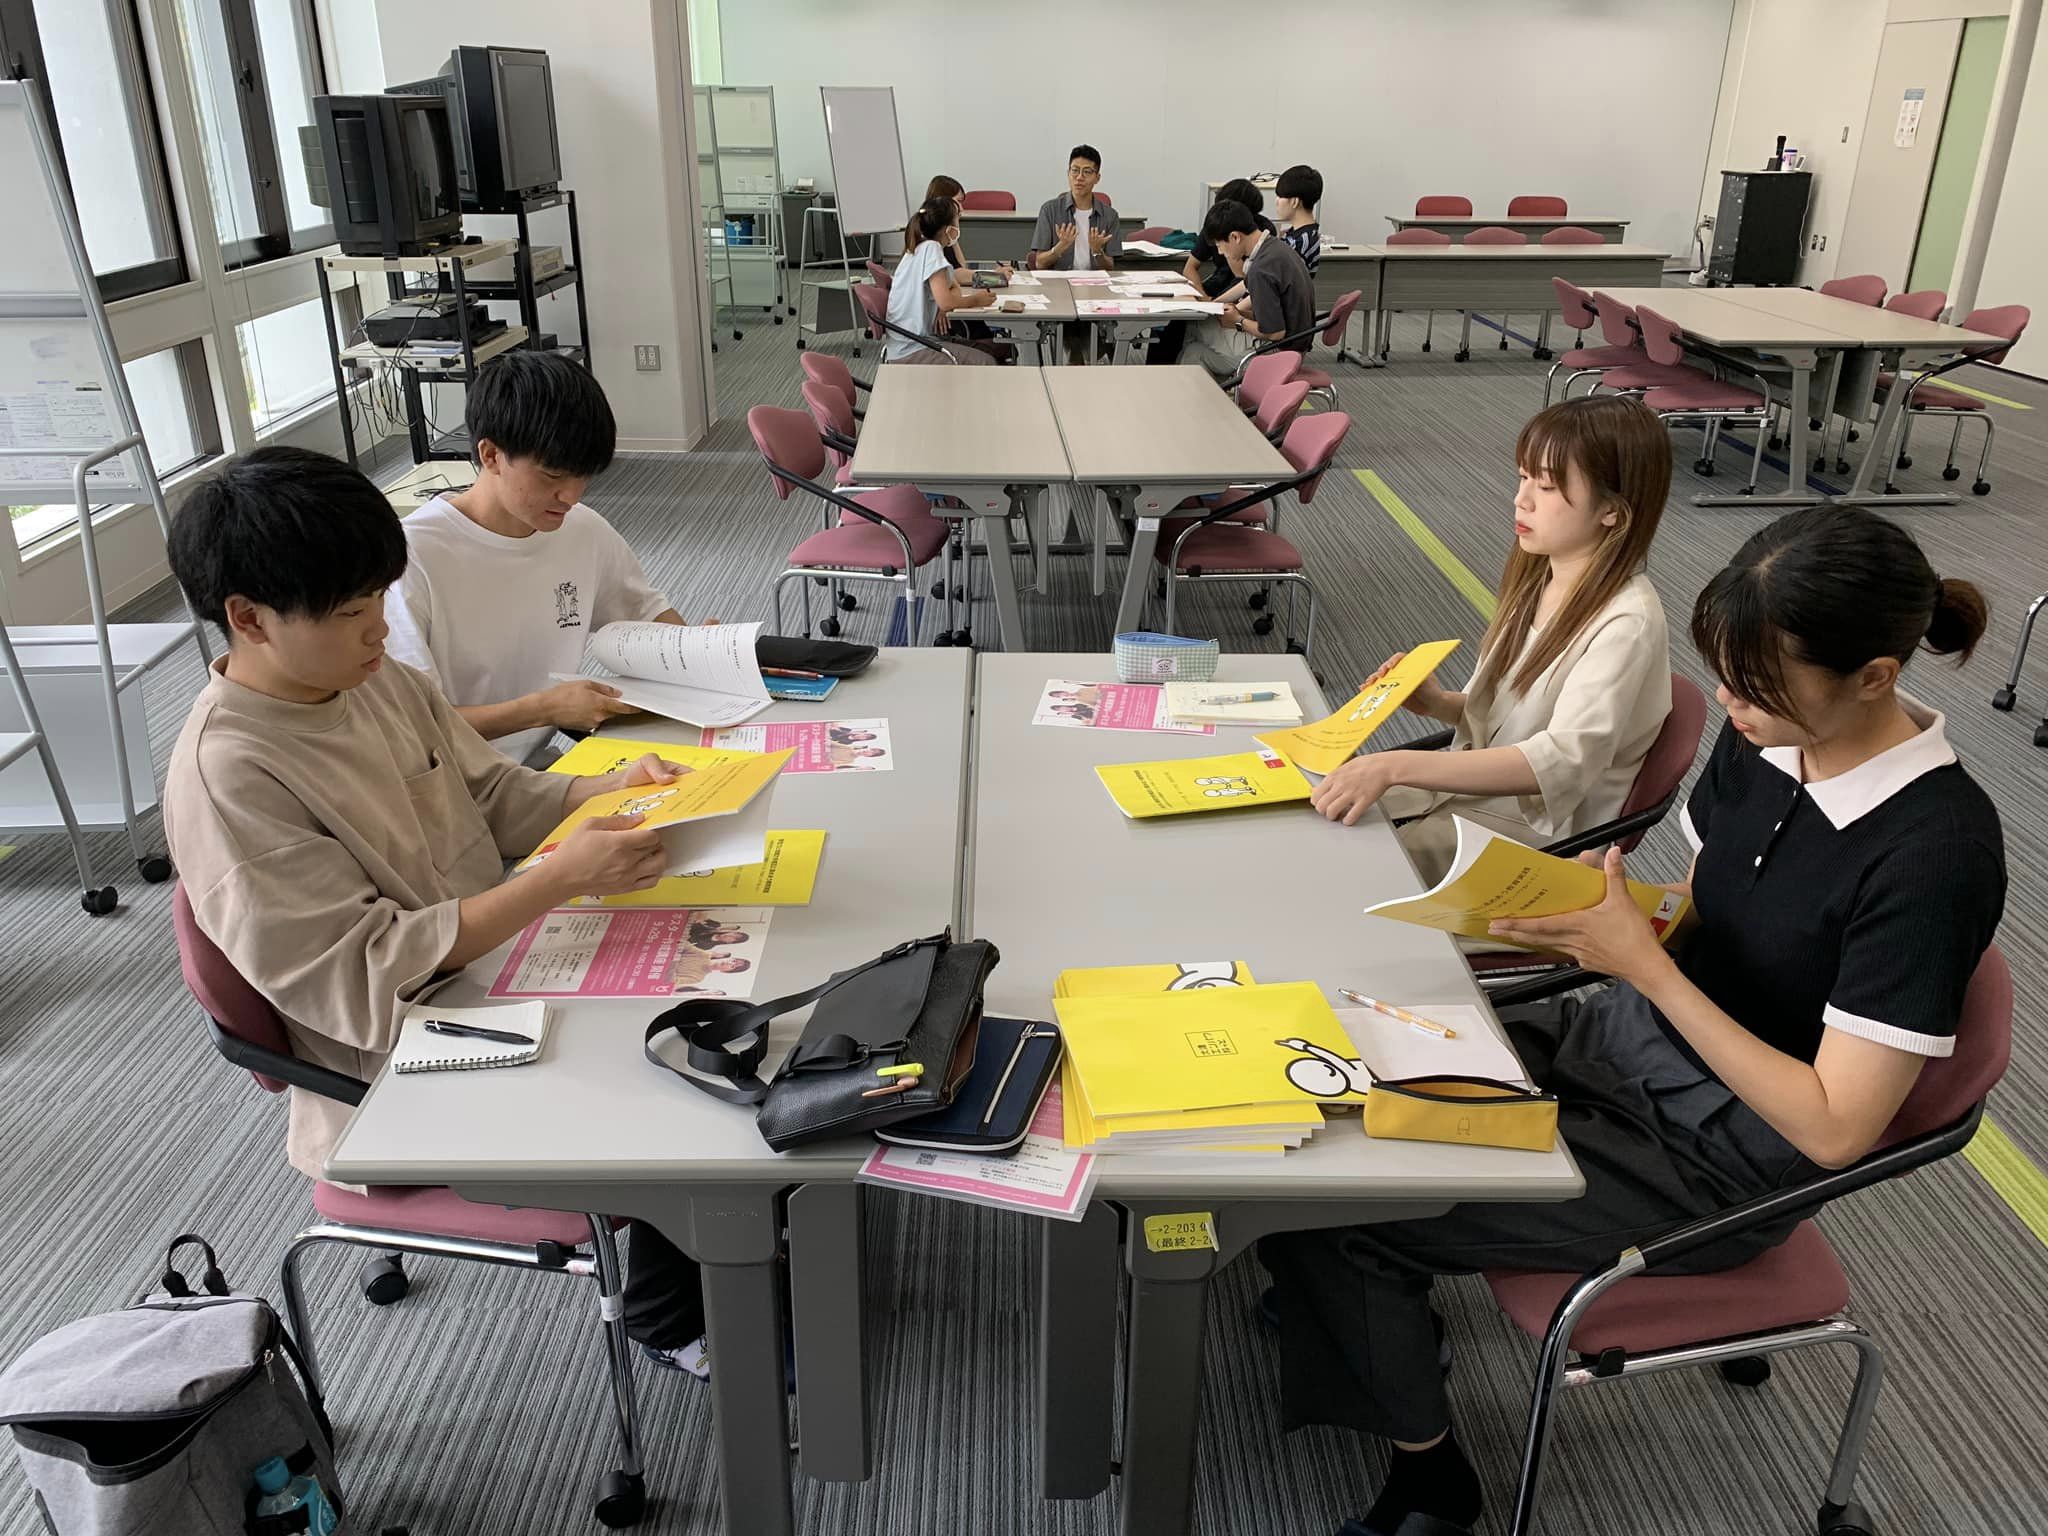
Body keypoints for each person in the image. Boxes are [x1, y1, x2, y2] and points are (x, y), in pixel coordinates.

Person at [1261, 504, 2005, 1536]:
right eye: (1727, 678)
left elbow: (1836, 1128)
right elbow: (1708, 895)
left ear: (1873, 677)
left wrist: (1645, 970)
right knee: (1341, 1073)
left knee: (1344, 1207)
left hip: (1722, 1156)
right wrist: (1599, 919)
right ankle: (1356, 1314)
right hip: (1624, 1043)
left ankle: (1430, 1476)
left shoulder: (1933, 854)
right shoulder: (1777, 731)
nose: (1731, 706)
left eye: (1756, 688)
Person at [160, 446, 717, 1377]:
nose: (380, 629)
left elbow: (490, 794)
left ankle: (724, 1250)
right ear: (248, 619)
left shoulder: (370, 679)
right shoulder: (232, 775)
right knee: (674, 1065)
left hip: (495, 963)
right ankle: (671, 1317)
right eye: (350, 613)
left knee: (717, 984)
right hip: (397, 1060)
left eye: (379, 599)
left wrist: (606, 791)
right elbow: (364, 980)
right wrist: (555, 881)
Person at [1309, 394, 1673, 881]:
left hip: (1537, 835)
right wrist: (1439, 703)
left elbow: (1561, 761)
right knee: (1313, 816)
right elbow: (1513, 720)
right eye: (1523, 477)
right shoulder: (1540, 578)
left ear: (1611, 510)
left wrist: (1395, 766)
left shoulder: (1627, 624)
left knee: (1336, 865)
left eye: (1546, 486)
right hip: (1473, 800)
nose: (1521, 500)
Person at [382, 350, 685, 765]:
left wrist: (696, 650)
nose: (571, 496)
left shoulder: (582, 529)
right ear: (491, 455)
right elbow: (413, 726)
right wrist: (543, 709)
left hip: (541, 766)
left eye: (584, 477)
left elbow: (648, 616)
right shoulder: (411, 559)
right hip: (456, 779)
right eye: (554, 476)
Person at [1175, 199, 1315, 382]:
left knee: (1194, 329)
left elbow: (1275, 332)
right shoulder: (1275, 248)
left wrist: (1238, 321)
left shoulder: (1261, 270)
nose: (1220, 252)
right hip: (1295, 343)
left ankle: (1207, 388)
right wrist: (1217, 306)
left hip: (1277, 351)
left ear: (1235, 237)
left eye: (1219, 245)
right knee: (1194, 351)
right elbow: (1250, 289)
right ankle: (1220, 389)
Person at [1149, 178, 1276, 365]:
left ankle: (1180, 368)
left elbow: (1245, 279)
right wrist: (1204, 298)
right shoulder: (1217, 225)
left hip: (1240, 292)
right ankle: (1165, 369)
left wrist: (1218, 306)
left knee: (1189, 325)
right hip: (1218, 286)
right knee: (1173, 318)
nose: (1219, 249)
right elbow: (1190, 267)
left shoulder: (1260, 234)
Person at [1029, 144, 1121, 362]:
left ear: (1097, 177)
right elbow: (1039, 263)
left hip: (1096, 290)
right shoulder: (1050, 210)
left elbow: (1111, 268)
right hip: (1060, 290)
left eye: (1087, 172)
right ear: (1068, 173)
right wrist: (1060, 248)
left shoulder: (1109, 216)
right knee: (1074, 339)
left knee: (1112, 334)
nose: (1079, 177)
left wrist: (1097, 252)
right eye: (1075, 170)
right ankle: (1075, 358)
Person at [884, 196, 997, 365]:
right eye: (958, 219)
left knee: (988, 351)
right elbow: (946, 302)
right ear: (948, 229)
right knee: (987, 362)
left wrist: (945, 303)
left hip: (910, 342)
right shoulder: (932, 249)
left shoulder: (919, 247)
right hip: (912, 347)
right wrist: (976, 300)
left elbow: (954, 287)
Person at [918, 174, 1015, 360]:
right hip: (928, 334)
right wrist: (994, 278)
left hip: (929, 324)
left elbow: (958, 269)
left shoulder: (935, 240)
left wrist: (953, 237)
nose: (962, 209)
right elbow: (957, 276)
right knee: (992, 348)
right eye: (958, 203)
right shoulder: (931, 248)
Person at [1273, 163, 1324, 274]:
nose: (1276, 201)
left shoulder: (1300, 243)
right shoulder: (1301, 234)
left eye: (1280, 196)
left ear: (1294, 202)